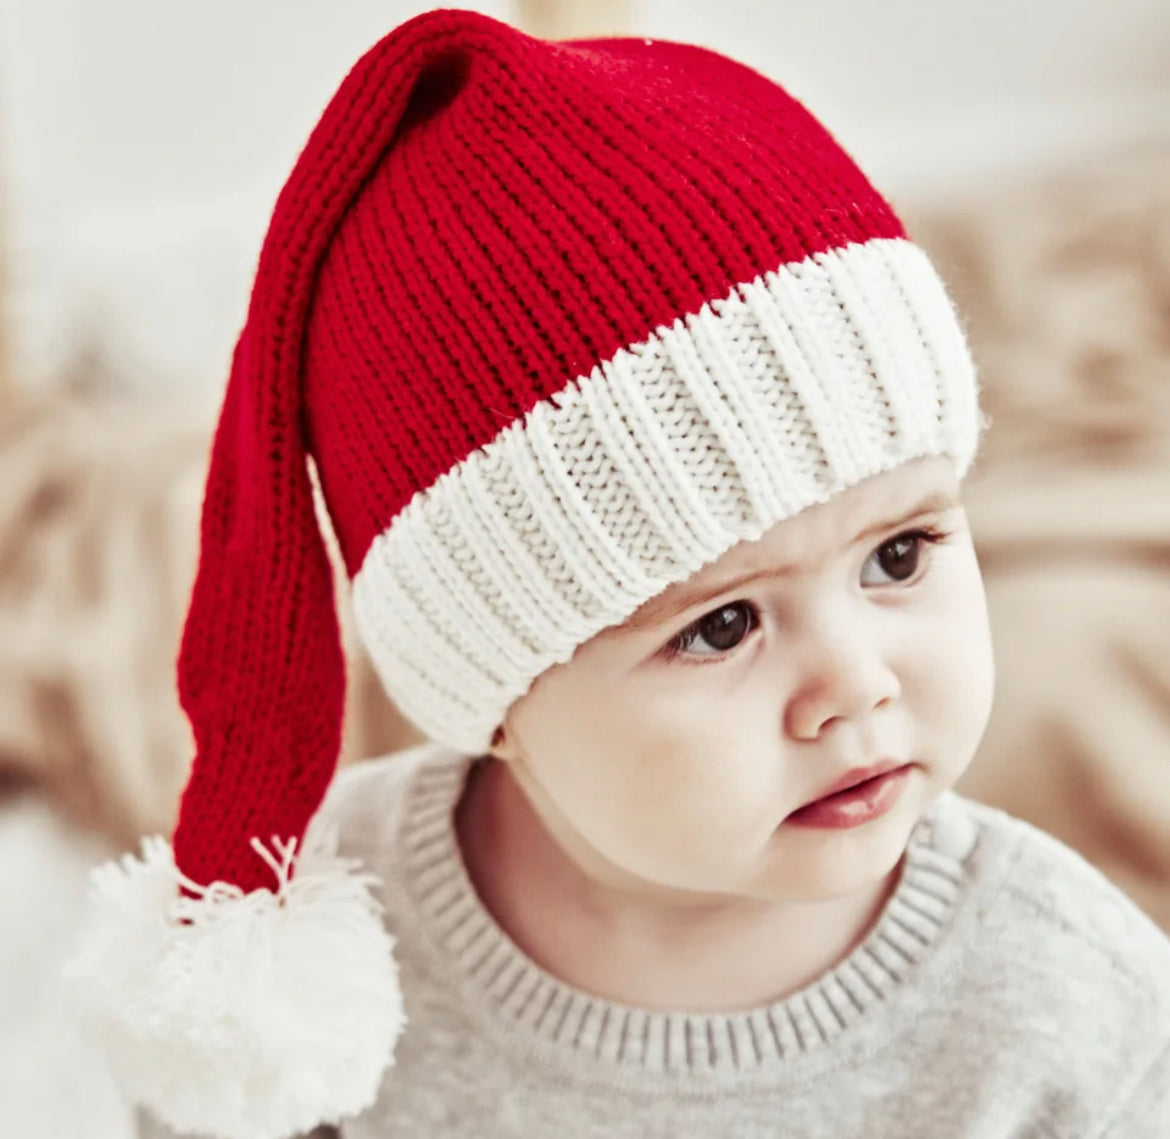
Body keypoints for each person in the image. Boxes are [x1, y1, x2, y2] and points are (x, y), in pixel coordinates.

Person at [66, 8, 1170, 1138]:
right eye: (722, 625)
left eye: (898, 554)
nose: (856, 682)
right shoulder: (316, 967)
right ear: (494, 695)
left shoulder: (1063, 993)